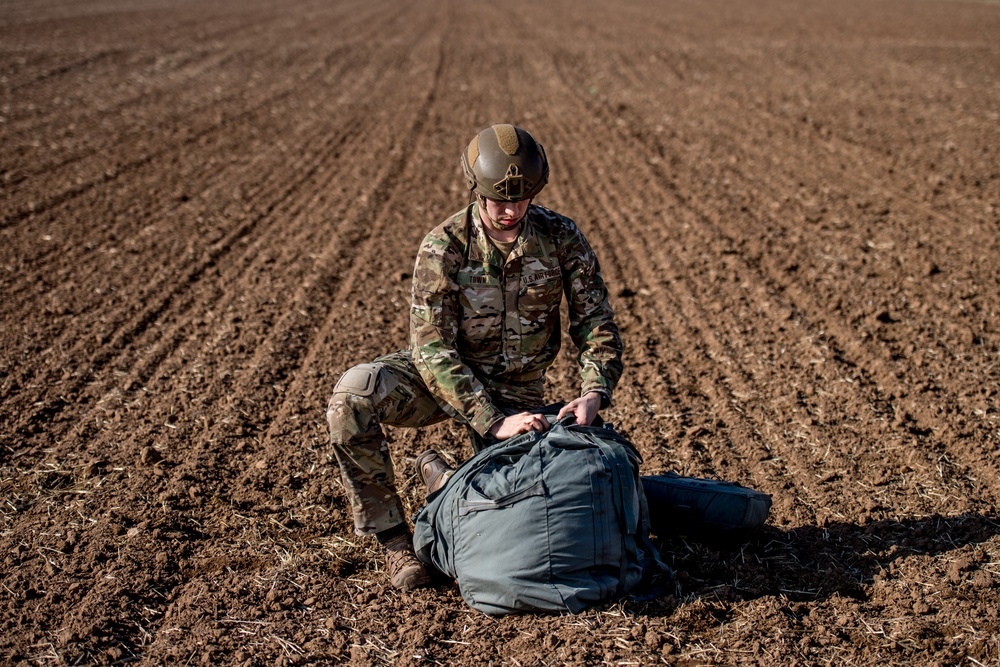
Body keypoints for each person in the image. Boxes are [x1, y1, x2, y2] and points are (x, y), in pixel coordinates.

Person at [326, 124, 624, 590]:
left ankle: (445, 481)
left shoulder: (561, 237)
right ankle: (396, 542)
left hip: (518, 390)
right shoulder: (444, 245)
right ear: (476, 190)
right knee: (353, 398)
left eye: (521, 199)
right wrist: (490, 419)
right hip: (445, 381)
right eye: (498, 200)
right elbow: (432, 347)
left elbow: (596, 322)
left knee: (527, 517)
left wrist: (593, 392)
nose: (510, 211)